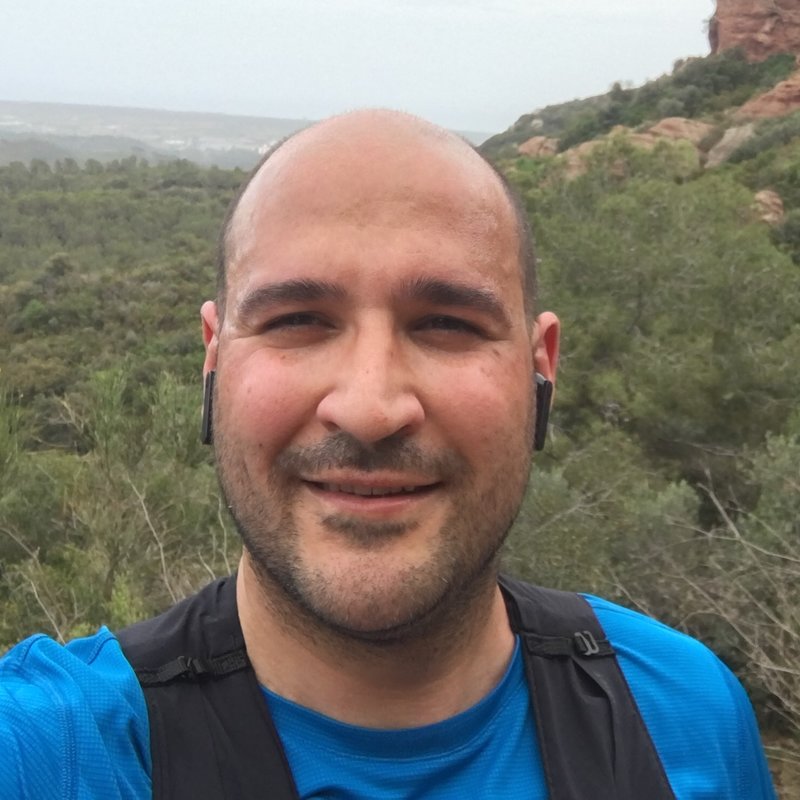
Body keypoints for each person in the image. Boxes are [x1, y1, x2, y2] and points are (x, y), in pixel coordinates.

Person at [0, 109, 776, 799]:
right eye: (297, 320)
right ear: (215, 360)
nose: (370, 410)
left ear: (540, 368)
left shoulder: (681, 712)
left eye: (448, 324)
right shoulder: (56, 750)